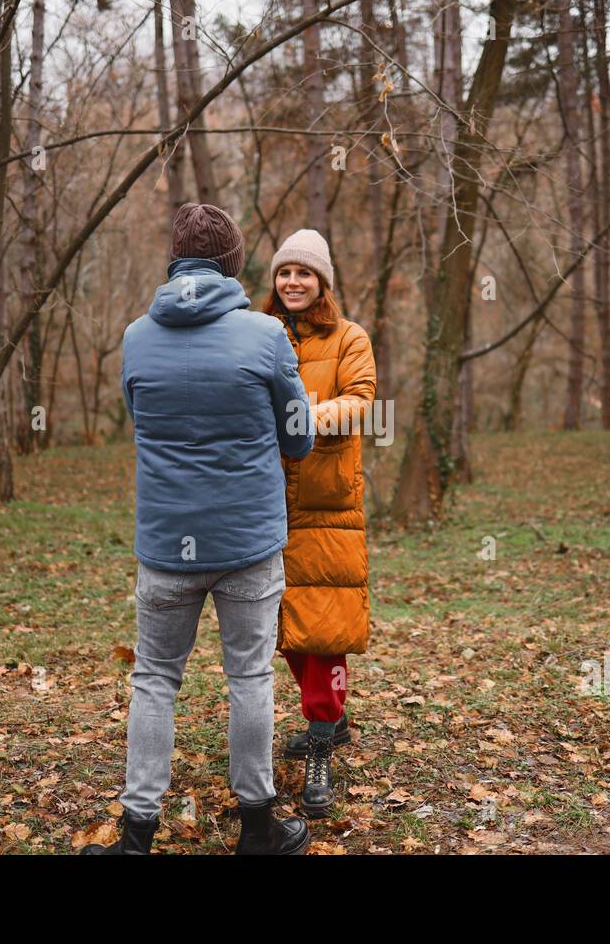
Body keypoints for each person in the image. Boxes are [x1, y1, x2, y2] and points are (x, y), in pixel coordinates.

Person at [82, 203, 315, 855]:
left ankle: (135, 835)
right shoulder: (266, 336)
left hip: (165, 545)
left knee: (155, 678)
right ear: (234, 266)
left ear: (174, 264)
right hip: (247, 544)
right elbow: (298, 441)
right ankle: (258, 827)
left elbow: (140, 417)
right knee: (249, 677)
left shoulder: (135, 337)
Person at [263, 229, 376, 817]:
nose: (293, 283)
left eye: (304, 274)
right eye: (285, 273)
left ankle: (322, 745)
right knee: (286, 626)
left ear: (322, 281)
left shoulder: (350, 337)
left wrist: (306, 416)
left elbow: (362, 399)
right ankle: (329, 717)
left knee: (324, 633)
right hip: (267, 504)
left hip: (329, 507)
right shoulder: (263, 333)